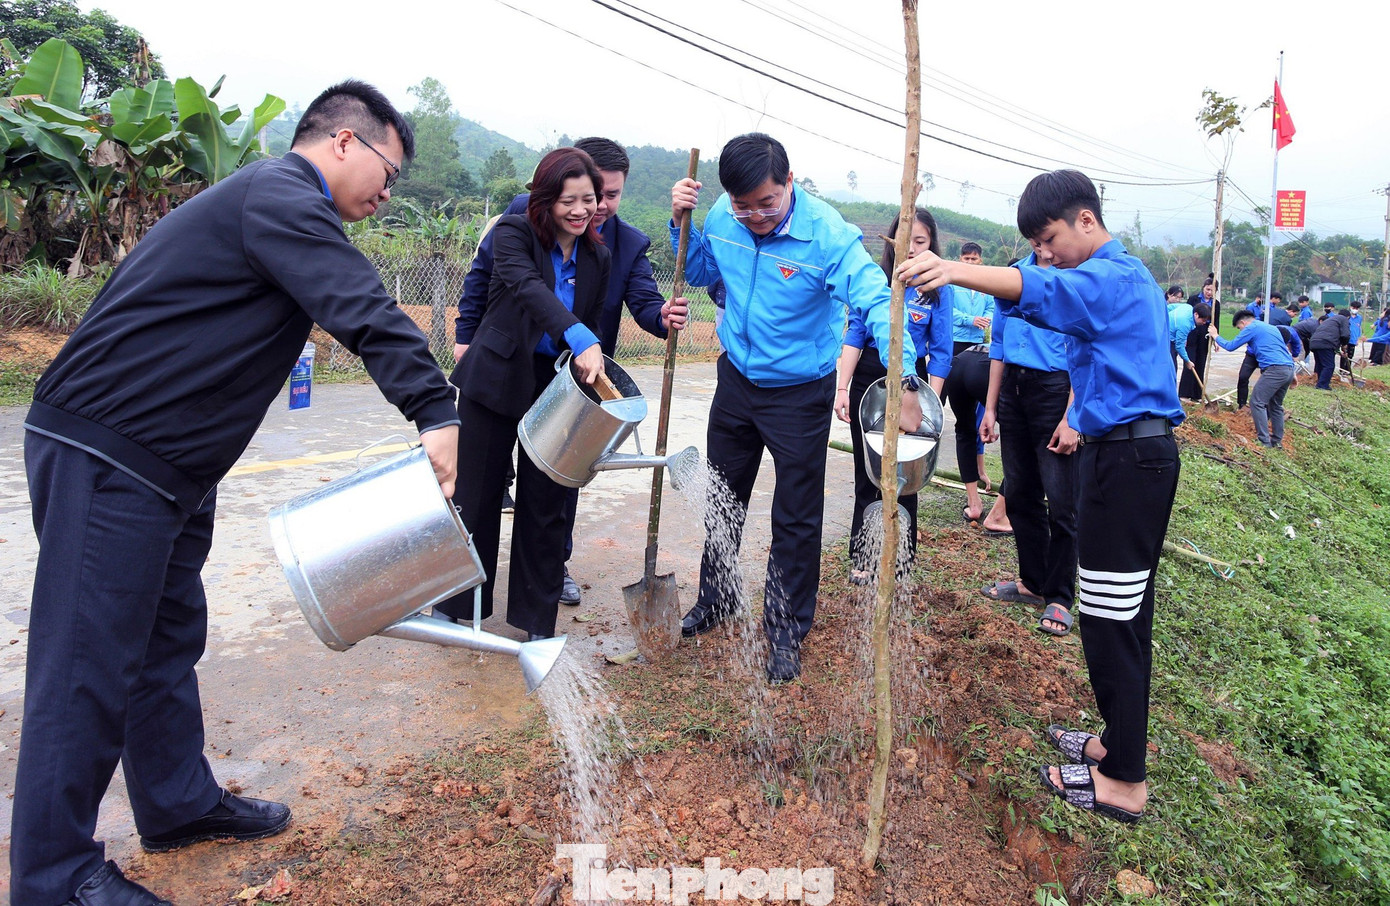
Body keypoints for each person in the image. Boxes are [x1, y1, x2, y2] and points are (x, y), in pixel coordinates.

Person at [13, 81, 461, 906]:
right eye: (388, 173)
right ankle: (51, 875)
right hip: (110, 453)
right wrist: (436, 409)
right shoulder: (280, 195)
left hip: (167, 467)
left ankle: (177, 803)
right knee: (87, 663)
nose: (388, 194)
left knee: (163, 639)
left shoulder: (271, 205)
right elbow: (359, 304)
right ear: (342, 144)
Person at [898, 169, 1182, 825]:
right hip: (1127, 454)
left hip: (1128, 459)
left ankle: (1123, 783)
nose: (1044, 253)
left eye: (1049, 238)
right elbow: (1039, 295)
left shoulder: (1111, 274)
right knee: (1122, 616)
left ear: (1087, 221)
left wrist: (953, 271)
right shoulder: (1118, 279)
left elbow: (1041, 288)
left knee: (1111, 622)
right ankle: (1118, 744)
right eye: (1035, 244)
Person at [669, 132, 920, 684]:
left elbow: (876, 298)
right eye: (742, 205)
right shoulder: (719, 214)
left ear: (789, 182)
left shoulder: (828, 235)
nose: (755, 215)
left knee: (796, 516)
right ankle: (717, 598)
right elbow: (706, 273)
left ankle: (785, 629)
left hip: (801, 391)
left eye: (767, 202)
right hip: (736, 379)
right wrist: (677, 225)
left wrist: (903, 377)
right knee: (722, 498)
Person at [452, 137, 673, 609]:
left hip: (559, 387)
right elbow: (521, 285)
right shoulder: (516, 227)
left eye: (594, 199)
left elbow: (623, 308)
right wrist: (465, 337)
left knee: (548, 500)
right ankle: (461, 607)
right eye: (569, 200)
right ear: (546, 198)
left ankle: (536, 616)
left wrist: (658, 319)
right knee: (479, 494)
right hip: (496, 374)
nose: (585, 210)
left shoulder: (609, 253)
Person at [835, 209, 952, 584]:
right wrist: (842, 388)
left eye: (921, 241)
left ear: (932, 243)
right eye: (906, 241)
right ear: (891, 242)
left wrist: (931, 405)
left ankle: (900, 559)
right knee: (867, 472)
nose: (913, 249)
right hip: (870, 380)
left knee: (905, 476)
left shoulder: (937, 291)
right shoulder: (876, 279)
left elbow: (942, 350)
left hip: (910, 387)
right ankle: (864, 556)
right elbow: (855, 333)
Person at [978, 248, 1079, 636]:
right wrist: (990, 408)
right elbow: (998, 348)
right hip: (1013, 390)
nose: (1045, 247)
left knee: (1061, 500)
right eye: (1035, 236)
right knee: (1019, 493)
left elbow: (1083, 352)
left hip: (1056, 390)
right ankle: (1033, 583)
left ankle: (1060, 596)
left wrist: (1071, 417)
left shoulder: (1073, 277)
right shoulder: (1013, 277)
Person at [1209, 311, 1296, 447]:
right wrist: (1293, 374)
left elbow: (1231, 346)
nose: (1241, 331)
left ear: (1243, 323)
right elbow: (1283, 350)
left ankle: (1264, 441)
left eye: (1239, 328)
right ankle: (1277, 441)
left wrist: (1215, 336)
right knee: (1276, 405)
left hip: (1274, 369)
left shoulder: (1251, 328)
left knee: (1257, 402)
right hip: (1288, 369)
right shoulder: (1271, 328)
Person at [1178, 278, 1216, 401]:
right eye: (1207, 289)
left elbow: (1216, 323)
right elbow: (1188, 316)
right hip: (1192, 334)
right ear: (1203, 288)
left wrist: (1215, 339)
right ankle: (1184, 394)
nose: (1209, 292)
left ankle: (1197, 394)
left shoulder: (1216, 304)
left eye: (1212, 290)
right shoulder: (1194, 299)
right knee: (1190, 362)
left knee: (1201, 364)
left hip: (1205, 336)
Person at [1170, 301, 1212, 386]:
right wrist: (1187, 361)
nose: (1204, 323)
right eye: (1203, 320)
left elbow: (1170, 307)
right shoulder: (1185, 324)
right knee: (1171, 370)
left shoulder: (1188, 307)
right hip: (1167, 340)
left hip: (1172, 336)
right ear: (1196, 314)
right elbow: (1179, 346)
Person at [1310, 307, 1351, 390]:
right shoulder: (1344, 319)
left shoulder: (1331, 320)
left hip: (1314, 342)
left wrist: (1339, 351)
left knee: (1320, 364)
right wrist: (1344, 345)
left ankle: (1319, 382)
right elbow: (1345, 335)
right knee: (1329, 366)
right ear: (1348, 317)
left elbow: (1332, 335)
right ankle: (1322, 385)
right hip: (1326, 343)